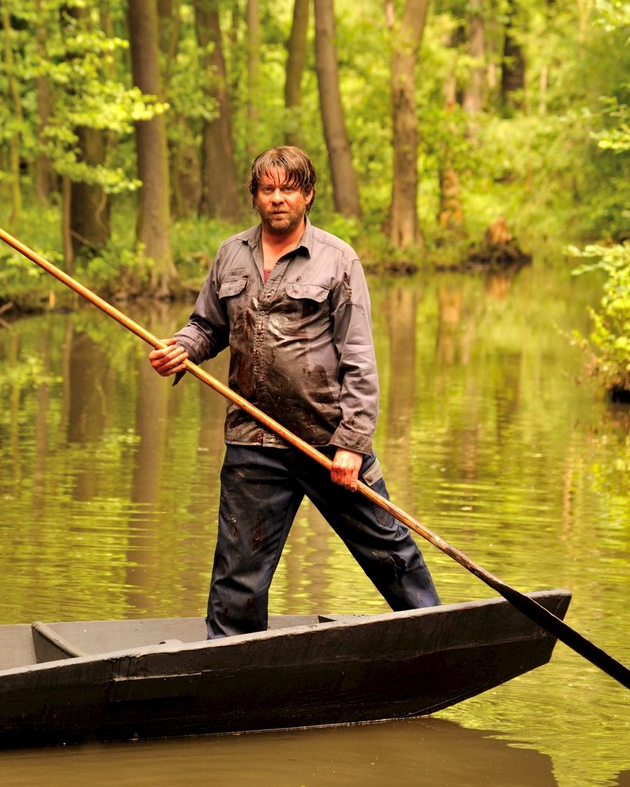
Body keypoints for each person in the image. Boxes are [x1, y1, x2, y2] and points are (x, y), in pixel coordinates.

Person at [148, 145, 441, 638]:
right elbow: (208, 326)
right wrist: (182, 348)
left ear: (307, 195)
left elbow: (360, 359)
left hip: (327, 443)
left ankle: (440, 637)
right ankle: (230, 669)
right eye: (267, 189)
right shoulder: (230, 254)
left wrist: (352, 444)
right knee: (237, 582)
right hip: (253, 440)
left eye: (287, 189)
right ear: (256, 197)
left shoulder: (338, 260)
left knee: (392, 555)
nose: (277, 198)